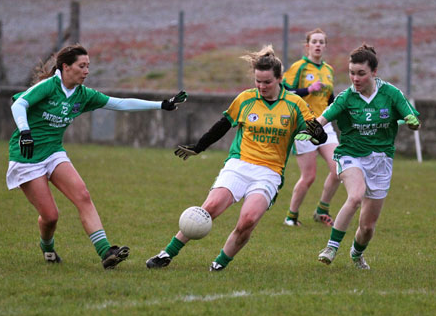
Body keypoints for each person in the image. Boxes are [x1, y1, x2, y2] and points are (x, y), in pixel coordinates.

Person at [145, 45, 327, 271]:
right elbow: (223, 125)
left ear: (280, 79)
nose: (261, 86)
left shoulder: (295, 104)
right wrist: (199, 146)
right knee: (209, 208)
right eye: (258, 81)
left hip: (269, 173)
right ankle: (166, 254)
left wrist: (318, 134)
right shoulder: (246, 98)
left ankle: (220, 263)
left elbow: (315, 132)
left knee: (248, 220)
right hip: (239, 165)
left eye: (267, 82)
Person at [6, 44, 187, 269]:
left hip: (53, 152)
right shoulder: (49, 86)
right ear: (65, 67)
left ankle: (106, 252)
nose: (87, 71)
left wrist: (162, 105)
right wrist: (25, 132)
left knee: (83, 195)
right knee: (51, 216)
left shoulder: (83, 95)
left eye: (88, 66)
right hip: (28, 156)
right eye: (82, 66)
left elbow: (120, 104)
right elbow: (20, 103)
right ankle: (47, 247)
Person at [317, 44, 420, 269]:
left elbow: (411, 117)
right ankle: (331, 247)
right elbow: (322, 119)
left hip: (381, 160)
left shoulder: (391, 94)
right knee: (355, 197)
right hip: (350, 155)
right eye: (352, 73)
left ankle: (356, 253)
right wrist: (310, 130)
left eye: (361, 73)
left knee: (367, 228)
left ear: (374, 72)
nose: (355, 78)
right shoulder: (346, 98)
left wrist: (412, 122)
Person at [282, 28, 340, 227]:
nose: (317, 45)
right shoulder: (299, 67)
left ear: (325, 46)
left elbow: (330, 99)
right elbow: (285, 91)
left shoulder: (328, 70)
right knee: (309, 177)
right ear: (307, 46)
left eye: (321, 42)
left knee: (338, 169)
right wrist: (308, 89)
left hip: (325, 125)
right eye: (314, 41)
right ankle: (291, 216)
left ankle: (321, 210)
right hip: (304, 126)